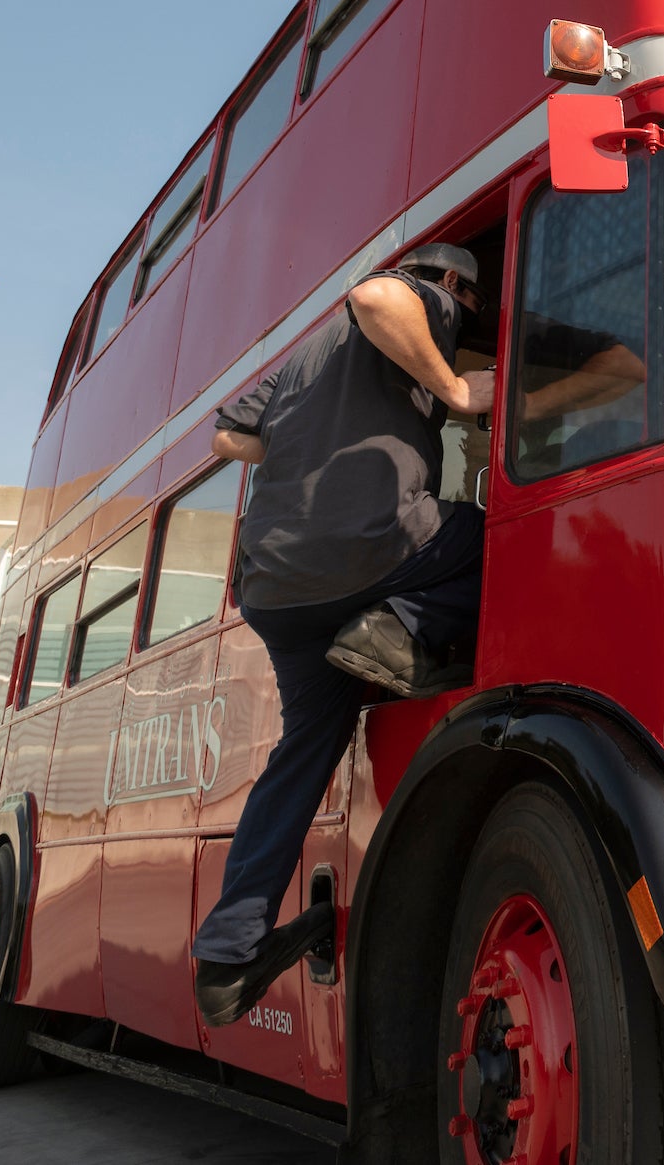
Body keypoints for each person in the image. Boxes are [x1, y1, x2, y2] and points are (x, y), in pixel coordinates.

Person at [190, 243, 495, 1028]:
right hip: (369, 551)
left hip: (275, 588)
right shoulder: (426, 296)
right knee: (502, 534)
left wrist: (306, 448)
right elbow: (374, 297)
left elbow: (226, 439)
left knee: (303, 753)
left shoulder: (301, 359)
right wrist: (458, 389)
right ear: (452, 282)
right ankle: (401, 630)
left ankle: (229, 951)